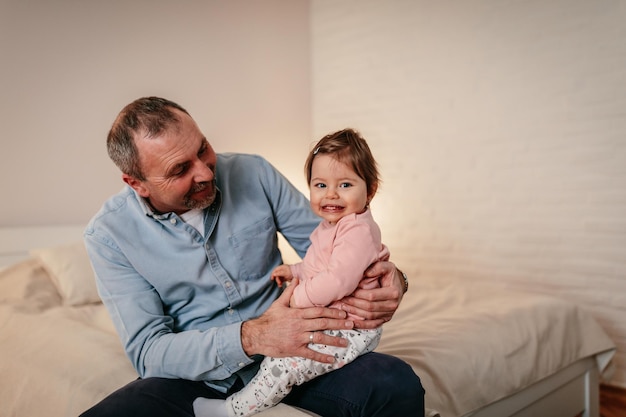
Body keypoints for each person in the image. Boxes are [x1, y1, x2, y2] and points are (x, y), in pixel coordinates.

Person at [81, 96, 425, 417]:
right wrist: (253, 336)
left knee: (394, 383)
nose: (204, 172)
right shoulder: (109, 235)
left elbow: (334, 248)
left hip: (296, 348)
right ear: (136, 183)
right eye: (180, 169)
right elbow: (149, 353)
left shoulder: (254, 173)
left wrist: (395, 278)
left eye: (203, 149)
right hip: (197, 374)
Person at [194, 128, 392, 417]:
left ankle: (234, 410)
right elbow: (321, 264)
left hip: (353, 327)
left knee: (285, 365)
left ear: (370, 190)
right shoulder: (333, 224)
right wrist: (294, 270)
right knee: (279, 356)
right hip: (336, 315)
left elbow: (337, 281)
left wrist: (297, 298)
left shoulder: (357, 231)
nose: (331, 194)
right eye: (320, 185)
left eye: (346, 184)